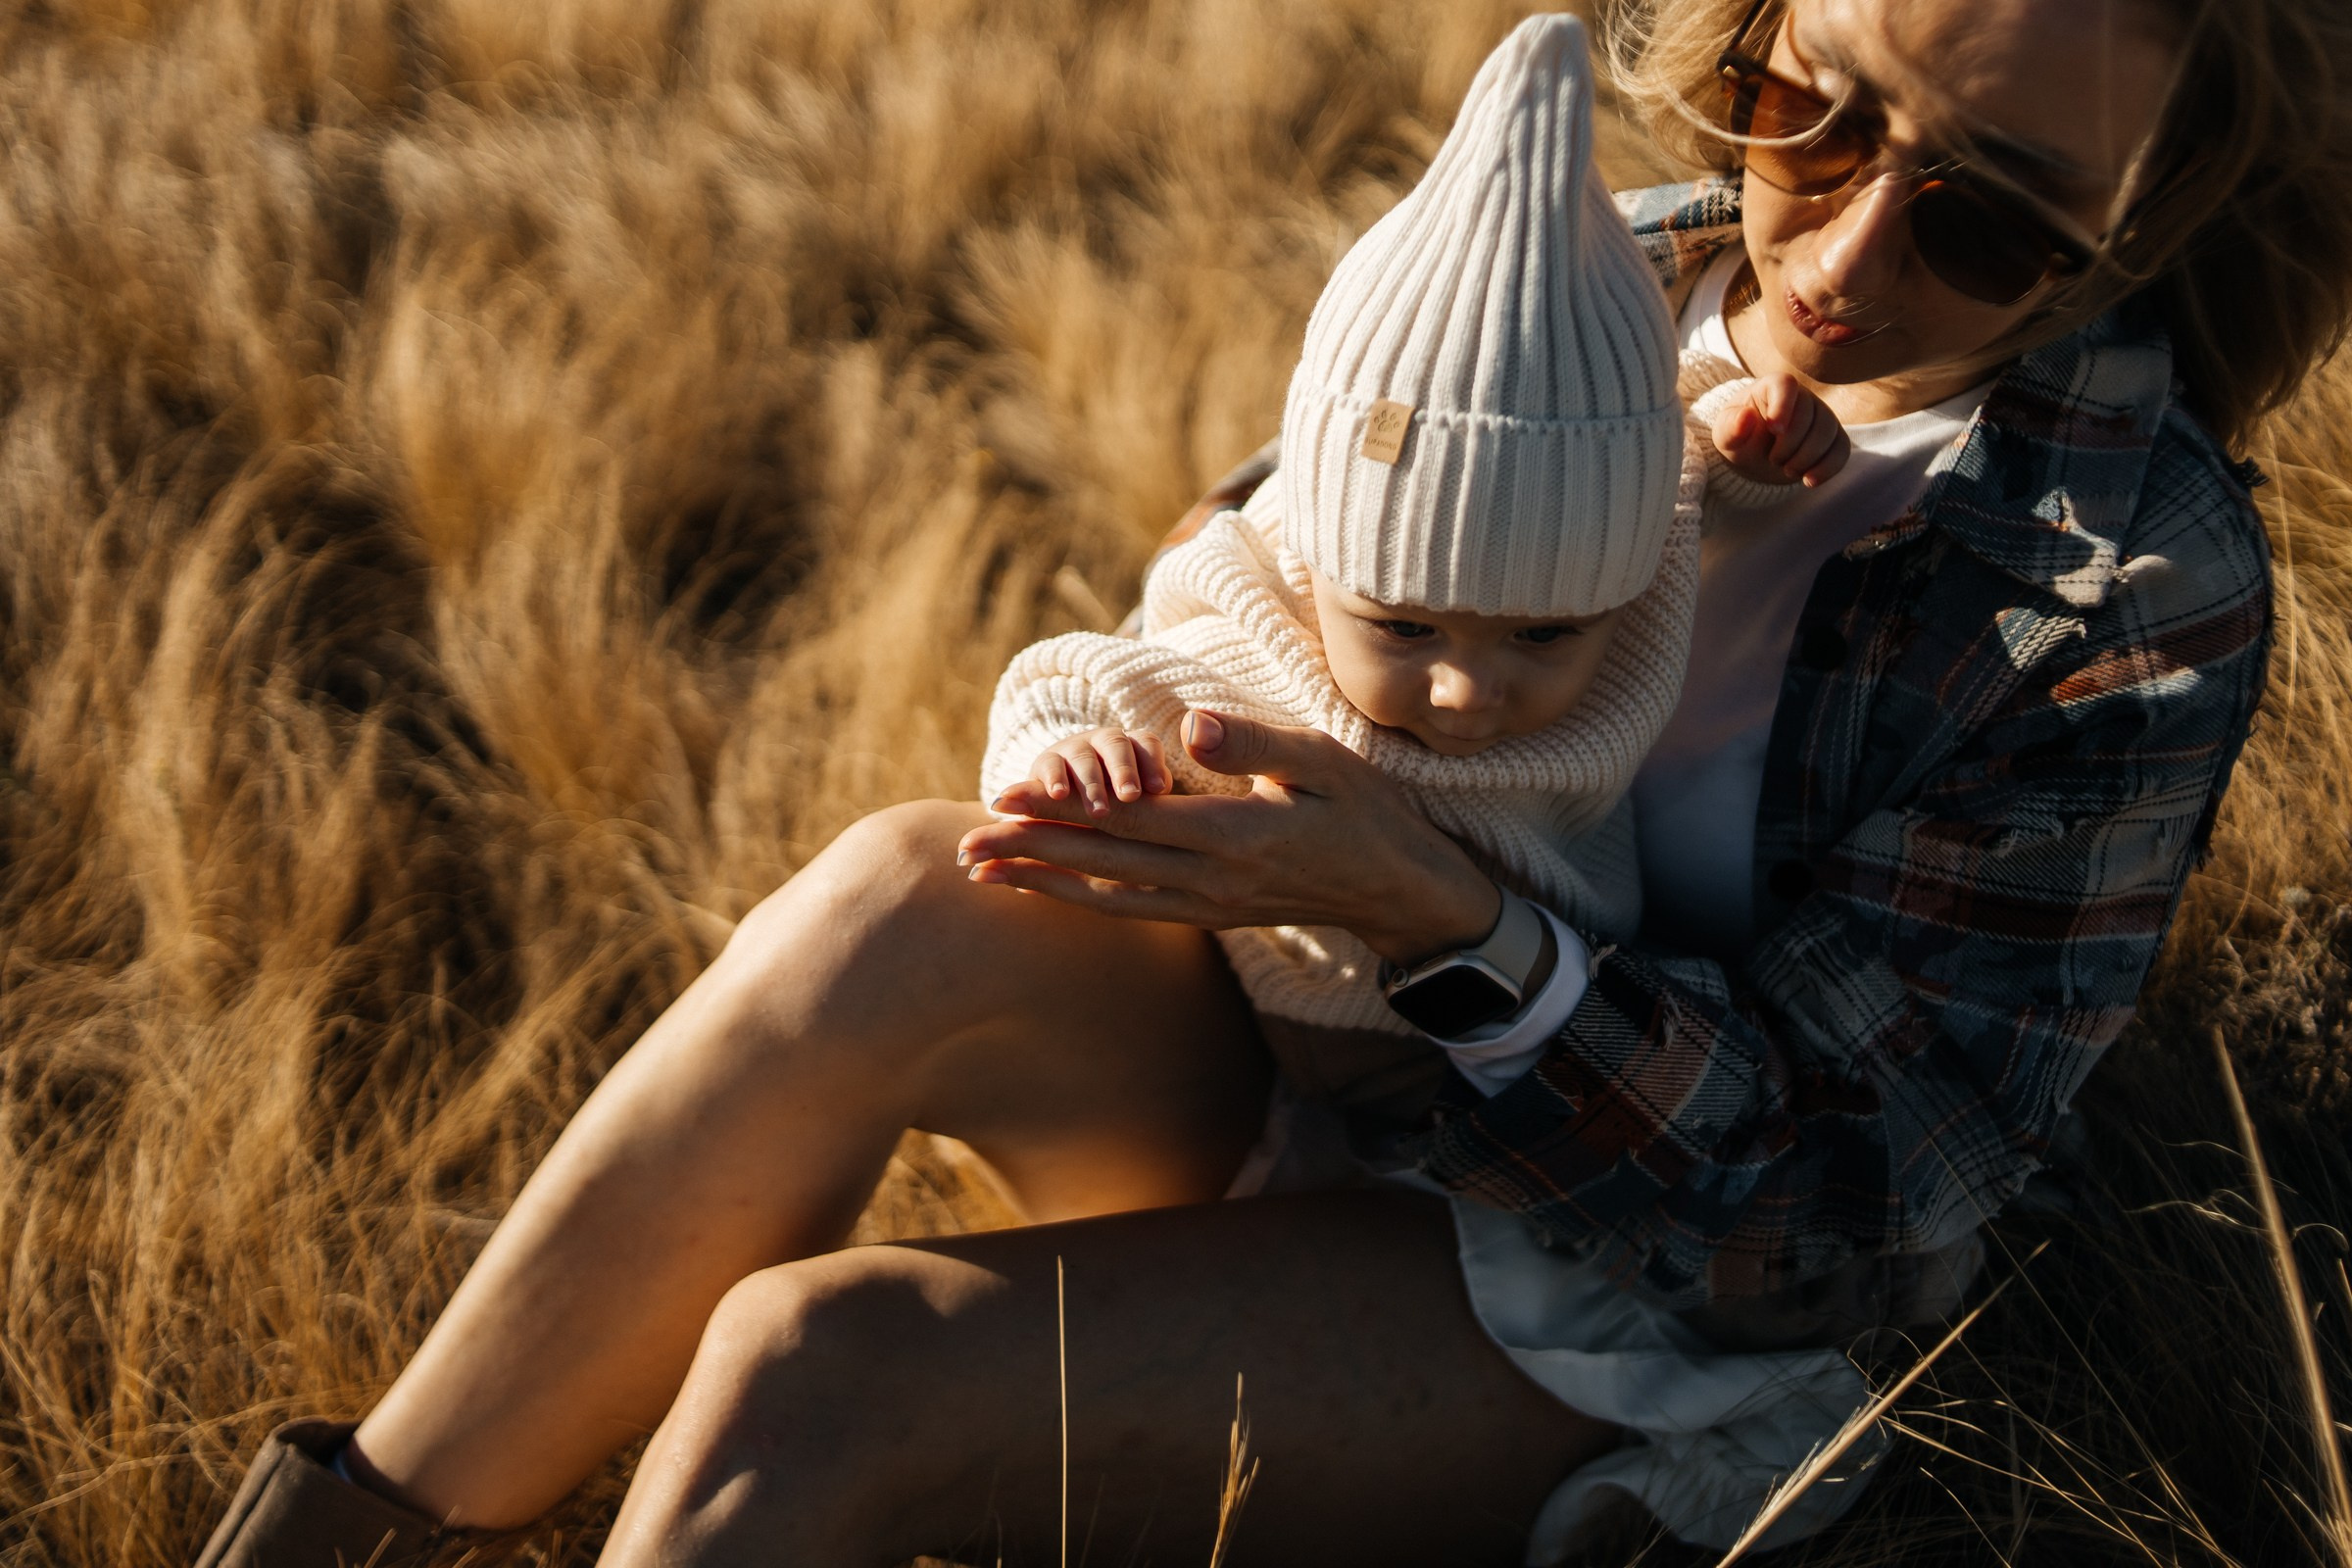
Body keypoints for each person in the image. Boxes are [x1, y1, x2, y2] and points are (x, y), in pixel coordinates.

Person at [193, 0, 2352, 1563]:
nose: (1843, 258)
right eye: (1817, 109)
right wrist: (1150, 753)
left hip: (1630, 1304)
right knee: (891, 885)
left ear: (2144, 231)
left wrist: (1452, 921)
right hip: (1310, 1070)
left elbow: (1848, 1225)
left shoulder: (2123, 585)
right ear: (1757, 30)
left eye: (1989, 221)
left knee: (815, 1370)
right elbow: (1247, 567)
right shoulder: (1603, 270)